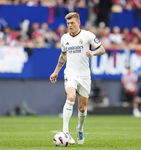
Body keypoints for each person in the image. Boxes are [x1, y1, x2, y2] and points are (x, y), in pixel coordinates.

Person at [50, 12, 105, 145]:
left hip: (84, 76)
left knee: (82, 108)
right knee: (70, 97)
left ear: (78, 23)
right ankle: (65, 132)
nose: (70, 25)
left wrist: (93, 52)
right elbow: (63, 55)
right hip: (70, 73)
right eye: (68, 23)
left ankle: (79, 128)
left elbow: (102, 49)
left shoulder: (87, 36)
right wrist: (56, 71)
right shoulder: (64, 38)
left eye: (72, 23)